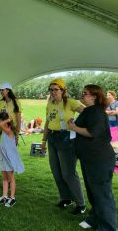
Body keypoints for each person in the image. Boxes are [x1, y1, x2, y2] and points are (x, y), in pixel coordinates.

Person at [68, 85, 117, 230]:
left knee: (102, 194)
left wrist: (74, 128)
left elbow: (93, 132)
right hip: (89, 158)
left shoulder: (96, 111)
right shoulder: (89, 111)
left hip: (99, 159)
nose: (82, 95)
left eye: (85, 93)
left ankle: (108, 227)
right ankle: (95, 218)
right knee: (93, 191)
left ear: (94, 96)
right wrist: (74, 124)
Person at [41, 78, 86, 215]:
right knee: (56, 171)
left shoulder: (70, 102)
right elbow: (47, 122)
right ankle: (66, 198)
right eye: (51, 89)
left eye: (56, 89)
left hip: (66, 139)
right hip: (53, 139)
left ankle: (80, 204)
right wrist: (44, 140)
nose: (53, 92)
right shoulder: (50, 103)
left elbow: (88, 113)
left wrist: (76, 126)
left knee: (68, 173)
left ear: (63, 90)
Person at [0, 83, 22, 187]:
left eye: (3, 90)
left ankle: (9, 179)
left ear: (8, 90)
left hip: (10, 132)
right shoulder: (0, 102)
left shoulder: (16, 103)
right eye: (0, 90)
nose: (1, 92)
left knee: (8, 156)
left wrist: (17, 135)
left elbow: (19, 120)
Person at [0, 112, 24, 207]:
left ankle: (12, 198)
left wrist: (8, 119)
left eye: (0, 120)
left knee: (11, 178)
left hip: (9, 158)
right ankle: (4, 196)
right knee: (4, 178)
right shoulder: (4, 130)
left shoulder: (9, 130)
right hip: (4, 157)